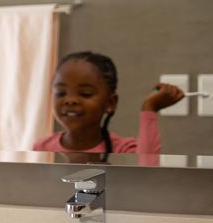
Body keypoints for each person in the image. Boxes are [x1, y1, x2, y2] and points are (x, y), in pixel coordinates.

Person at [32, 51, 184, 154]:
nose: (70, 100)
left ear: (110, 103)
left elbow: (147, 169)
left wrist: (149, 109)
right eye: (61, 93)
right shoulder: (42, 148)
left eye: (85, 93)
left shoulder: (123, 150)